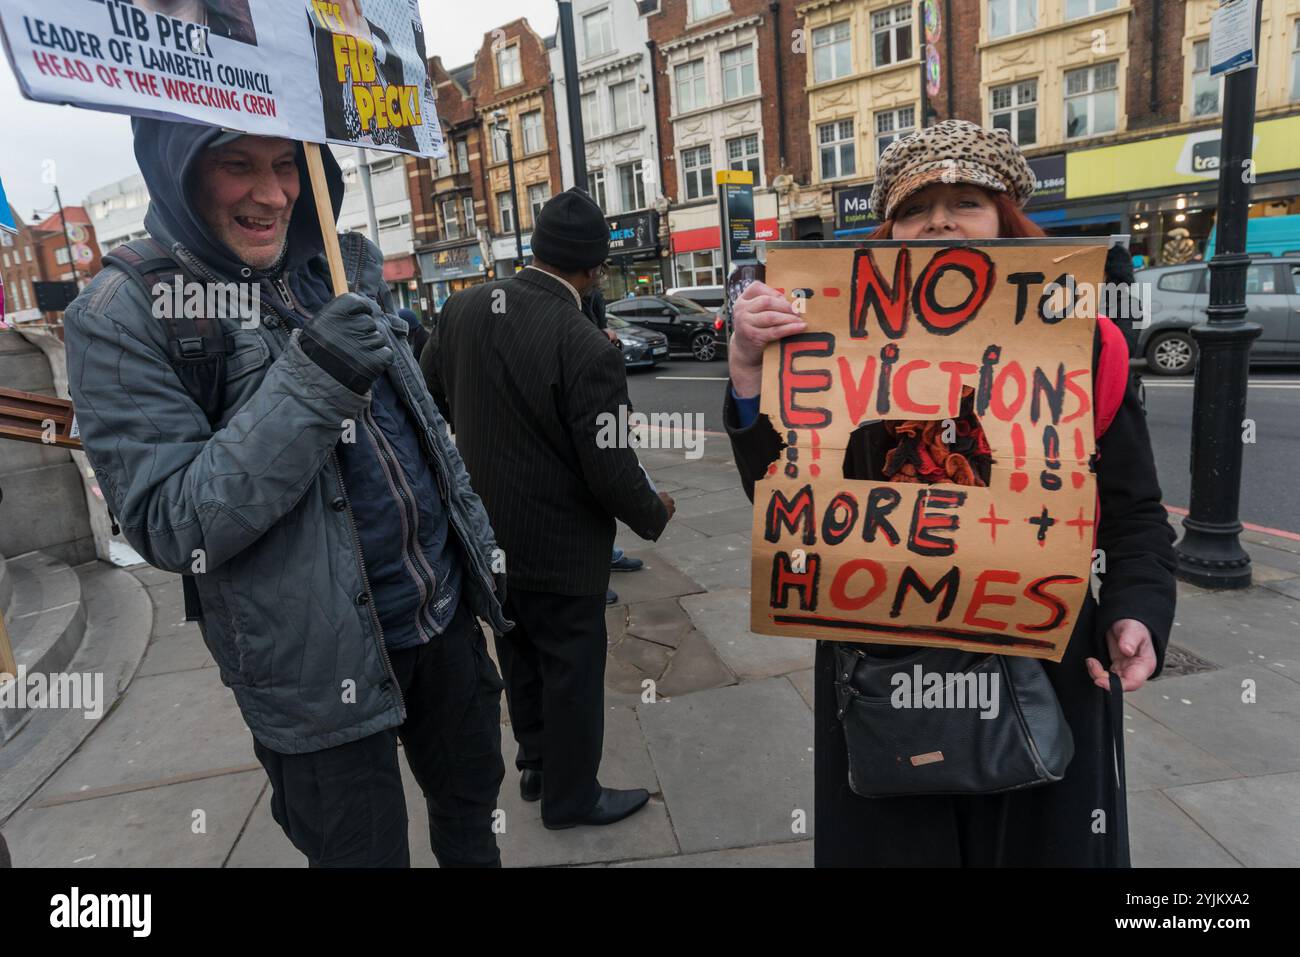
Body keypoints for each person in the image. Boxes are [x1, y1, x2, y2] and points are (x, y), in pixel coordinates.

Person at [724, 120, 1177, 867]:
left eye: (965, 200)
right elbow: (786, 505)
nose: (938, 220)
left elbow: (1135, 514)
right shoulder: (829, 344)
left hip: (1043, 668)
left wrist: (1138, 611)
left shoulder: (1086, 344)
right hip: (881, 668)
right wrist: (748, 372)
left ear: (1006, 219)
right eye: (915, 206)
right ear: (890, 232)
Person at [63, 121, 509, 867]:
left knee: (472, 822)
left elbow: (421, 432)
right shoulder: (119, 312)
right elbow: (173, 522)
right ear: (179, 172)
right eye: (237, 165)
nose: (271, 193)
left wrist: (479, 556)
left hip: (441, 624)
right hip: (313, 673)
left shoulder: (341, 264)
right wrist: (316, 375)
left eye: (286, 164)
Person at [422, 187, 674, 829]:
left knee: (520, 655)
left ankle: (535, 766)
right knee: (572, 672)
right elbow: (611, 467)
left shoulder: (462, 307)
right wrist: (654, 511)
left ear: (535, 248)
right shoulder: (586, 345)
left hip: (487, 537)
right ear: (593, 270)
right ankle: (571, 797)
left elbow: (429, 400)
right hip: (561, 547)